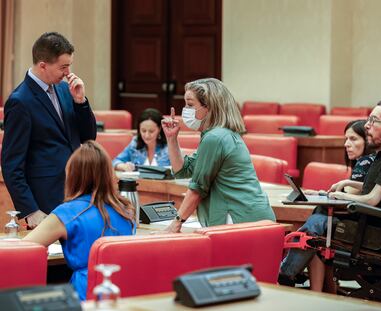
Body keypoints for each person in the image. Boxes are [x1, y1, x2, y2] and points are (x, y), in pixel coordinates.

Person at [1, 32, 96, 228]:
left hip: (78, 193)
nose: (68, 72)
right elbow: (11, 165)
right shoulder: (20, 101)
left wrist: (80, 102)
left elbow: (89, 138)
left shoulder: (65, 89)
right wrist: (30, 210)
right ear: (43, 65)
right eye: (63, 67)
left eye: (69, 65)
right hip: (45, 203)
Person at [24, 141, 136, 301]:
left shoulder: (67, 213)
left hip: (86, 294)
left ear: (72, 175)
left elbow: (22, 248)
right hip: (123, 294)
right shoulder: (125, 210)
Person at [161, 78, 275, 232]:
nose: (185, 110)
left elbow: (197, 189)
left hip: (240, 218)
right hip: (251, 217)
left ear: (208, 107)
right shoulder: (218, 134)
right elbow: (183, 171)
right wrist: (172, 139)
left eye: (190, 104)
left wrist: (176, 223)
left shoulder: (216, 138)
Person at [279, 119, 376, 290]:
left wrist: (326, 194)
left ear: (367, 140)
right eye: (346, 139)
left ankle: (286, 273)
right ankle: (317, 290)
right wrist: (322, 194)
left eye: (353, 139)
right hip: (362, 220)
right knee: (317, 234)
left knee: (314, 232)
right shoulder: (371, 160)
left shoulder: (366, 161)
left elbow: (350, 196)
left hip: (358, 225)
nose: (347, 144)